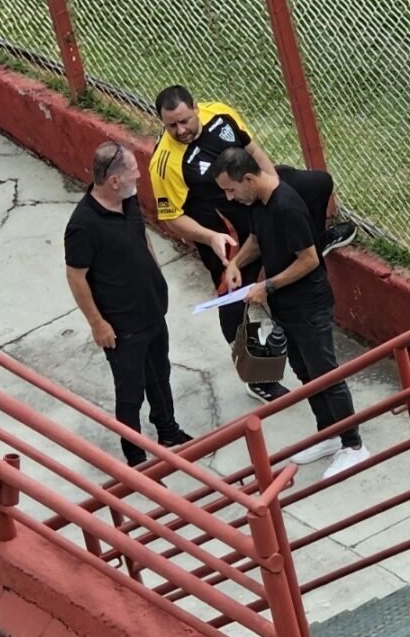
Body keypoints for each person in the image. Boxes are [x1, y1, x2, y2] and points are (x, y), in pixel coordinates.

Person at [148, 84, 355, 403]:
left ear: (196, 108)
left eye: (185, 120)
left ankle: (310, 243)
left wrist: (274, 190)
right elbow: (172, 217)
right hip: (224, 232)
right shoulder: (165, 162)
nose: (181, 130)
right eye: (171, 125)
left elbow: (254, 152)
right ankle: (259, 375)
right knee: (234, 298)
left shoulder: (222, 114)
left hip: (255, 202)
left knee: (315, 184)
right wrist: (212, 237)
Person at [213, 146, 369, 480]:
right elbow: (255, 239)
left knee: (325, 373)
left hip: (308, 305)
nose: (229, 197)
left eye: (231, 189)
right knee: (303, 370)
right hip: (286, 305)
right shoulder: (256, 202)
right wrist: (235, 265)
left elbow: (310, 259)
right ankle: (328, 431)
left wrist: (266, 286)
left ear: (250, 179)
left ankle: (353, 445)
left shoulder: (286, 206)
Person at [65, 140, 191, 468]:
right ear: (114, 181)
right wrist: (98, 323)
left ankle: (168, 430)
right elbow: (77, 277)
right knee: (130, 390)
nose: (139, 176)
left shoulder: (128, 200)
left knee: (159, 375)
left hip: (151, 310)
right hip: (122, 326)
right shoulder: (83, 225)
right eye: (133, 172)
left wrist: (153, 274)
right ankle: (135, 457)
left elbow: (142, 237)